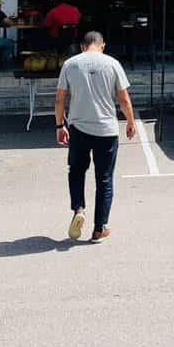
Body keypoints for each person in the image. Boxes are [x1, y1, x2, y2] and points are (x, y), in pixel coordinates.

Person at [55, 31, 138, 243]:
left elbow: (60, 99)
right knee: (104, 179)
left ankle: (79, 208)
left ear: (82, 46)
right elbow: (124, 99)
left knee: (76, 171)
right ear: (102, 45)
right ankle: (99, 228)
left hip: (78, 128)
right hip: (106, 130)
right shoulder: (112, 64)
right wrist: (130, 121)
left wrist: (59, 125)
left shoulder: (70, 64)